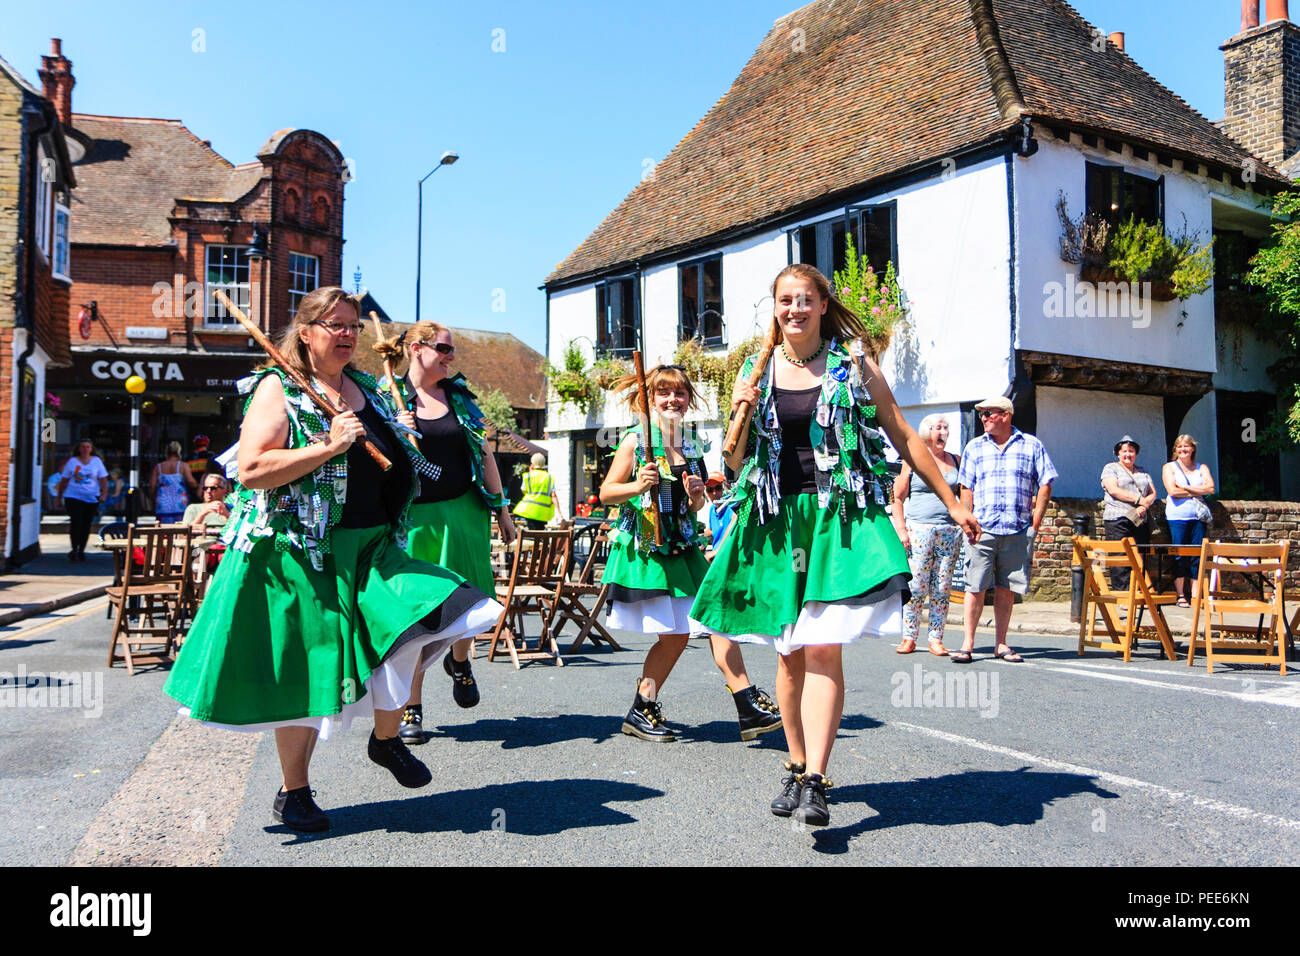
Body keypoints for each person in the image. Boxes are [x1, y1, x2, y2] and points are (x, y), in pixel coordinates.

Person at [164, 287, 501, 834]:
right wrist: (326, 447)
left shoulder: (366, 387)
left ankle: (386, 739)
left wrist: (404, 444)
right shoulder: (281, 389)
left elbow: (393, 458)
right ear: (306, 333)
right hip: (306, 551)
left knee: (440, 615)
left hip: (374, 546)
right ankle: (294, 793)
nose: (346, 334)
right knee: (307, 677)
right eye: (333, 325)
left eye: (351, 325)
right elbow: (250, 470)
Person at [691, 264, 978, 826]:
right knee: (789, 652)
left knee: (824, 647)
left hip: (834, 517)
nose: (794, 310)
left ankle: (818, 777)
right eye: (784, 301)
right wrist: (742, 408)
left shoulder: (853, 363)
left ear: (823, 304)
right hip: (775, 520)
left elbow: (900, 431)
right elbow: (731, 460)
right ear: (774, 308)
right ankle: (796, 766)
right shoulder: (755, 368)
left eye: (804, 300)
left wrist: (952, 500)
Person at [600, 365, 783, 744]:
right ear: (650, 400)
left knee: (714, 621)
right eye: (664, 394)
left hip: (683, 547)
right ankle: (648, 707)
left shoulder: (692, 444)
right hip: (649, 549)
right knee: (677, 636)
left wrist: (697, 494)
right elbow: (606, 493)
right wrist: (638, 484)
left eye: (680, 393)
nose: (672, 400)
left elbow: (693, 507)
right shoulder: (637, 441)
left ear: (688, 400)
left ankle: (744, 705)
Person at [379, 320, 518, 745]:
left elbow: (484, 454)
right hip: (415, 520)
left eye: (452, 349)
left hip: (464, 513)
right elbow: (370, 458)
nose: (451, 356)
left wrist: (503, 512)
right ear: (417, 349)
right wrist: (393, 429)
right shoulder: (386, 396)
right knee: (420, 616)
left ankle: (459, 662)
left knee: (467, 602)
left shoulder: (459, 398)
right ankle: (411, 709)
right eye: (444, 348)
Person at [952, 396, 1057, 664]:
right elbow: (966, 488)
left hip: (1016, 528)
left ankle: (1001, 643)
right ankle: (968, 643)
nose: (984, 418)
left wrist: (1035, 522)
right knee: (974, 587)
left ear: (1006, 415)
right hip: (981, 529)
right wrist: (968, 520)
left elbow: (1045, 484)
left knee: (1006, 588)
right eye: (982, 414)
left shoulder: (1032, 445)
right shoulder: (974, 448)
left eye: (989, 413)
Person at [891, 413, 962, 656]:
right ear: (926, 432)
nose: (943, 432)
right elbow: (897, 497)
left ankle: (936, 639)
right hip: (919, 530)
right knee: (917, 586)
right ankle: (909, 637)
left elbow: (965, 495)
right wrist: (901, 528)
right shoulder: (912, 461)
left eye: (946, 428)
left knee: (942, 587)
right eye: (938, 428)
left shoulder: (955, 461)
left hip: (948, 531)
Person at [1162, 433, 1214, 607]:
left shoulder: (1201, 467)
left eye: (1186, 446)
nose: (1183, 449)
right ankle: (1180, 595)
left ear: (1193, 448)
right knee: (1179, 555)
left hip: (1198, 518)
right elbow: (1172, 492)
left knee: (1197, 555)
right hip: (1177, 517)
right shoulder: (1169, 467)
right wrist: (1198, 490)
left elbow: (1211, 488)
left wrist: (1184, 487)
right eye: (1179, 446)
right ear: (1175, 449)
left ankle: (1195, 595)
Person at [1101, 435, 1156, 590]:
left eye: (1131, 451)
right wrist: (1139, 499)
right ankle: (1123, 593)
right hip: (1118, 518)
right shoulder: (1110, 468)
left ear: (1136, 454)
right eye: (1124, 451)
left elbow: (1152, 493)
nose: (1128, 454)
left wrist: (1144, 506)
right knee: (1120, 556)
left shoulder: (1143, 471)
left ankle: (1139, 591)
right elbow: (1113, 490)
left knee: (1140, 554)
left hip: (1139, 518)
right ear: (1118, 453)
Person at [55, 438, 108, 561]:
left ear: (91, 449)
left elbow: (103, 479)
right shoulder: (72, 462)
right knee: (76, 522)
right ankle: (74, 549)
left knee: (86, 524)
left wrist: (104, 494)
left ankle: (81, 549)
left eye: (88, 447)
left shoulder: (96, 462)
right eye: (83, 447)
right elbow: (64, 480)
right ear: (78, 449)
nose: (85, 449)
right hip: (73, 496)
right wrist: (59, 497)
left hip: (91, 497)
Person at [514, 452, 565, 529]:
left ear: (532, 463)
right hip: (544, 512)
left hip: (529, 510)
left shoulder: (528, 476)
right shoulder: (549, 478)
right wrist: (559, 512)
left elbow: (524, 491)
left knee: (531, 531)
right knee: (540, 531)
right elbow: (553, 495)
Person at [149, 441, 196, 524]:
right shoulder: (183, 466)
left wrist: (152, 498)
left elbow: (152, 486)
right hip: (179, 502)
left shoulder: (158, 467)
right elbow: (191, 482)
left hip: (163, 501)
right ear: (179, 452)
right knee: (179, 527)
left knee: (163, 528)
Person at [703, 471, 737, 560]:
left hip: (727, 555)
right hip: (715, 556)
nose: (714, 493)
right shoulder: (712, 509)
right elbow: (712, 530)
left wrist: (717, 551)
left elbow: (732, 532)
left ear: (726, 487)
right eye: (710, 490)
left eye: (718, 488)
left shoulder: (733, 507)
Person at [185, 434, 215, 499]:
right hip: (207, 490)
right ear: (207, 444)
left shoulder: (188, 458)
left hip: (191, 492)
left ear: (195, 444)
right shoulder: (211, 456)